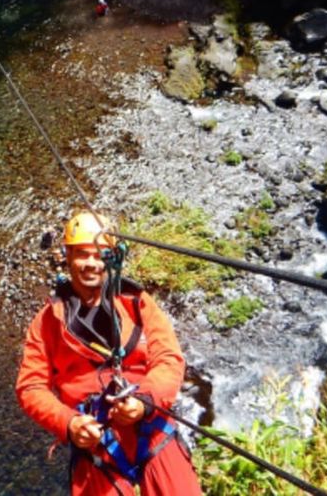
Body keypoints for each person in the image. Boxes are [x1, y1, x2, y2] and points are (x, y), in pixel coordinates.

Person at [16, 211, 202, 496]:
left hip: (151, 427)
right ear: (67, 256)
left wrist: (144, 401)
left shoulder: (137, 304)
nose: (91, 263)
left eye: (100, 254)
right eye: (82, 254)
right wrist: (68, 423)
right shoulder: (47, 322)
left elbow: (169, 359)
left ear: (112, 258)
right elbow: (31, 387)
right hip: (95, 440)